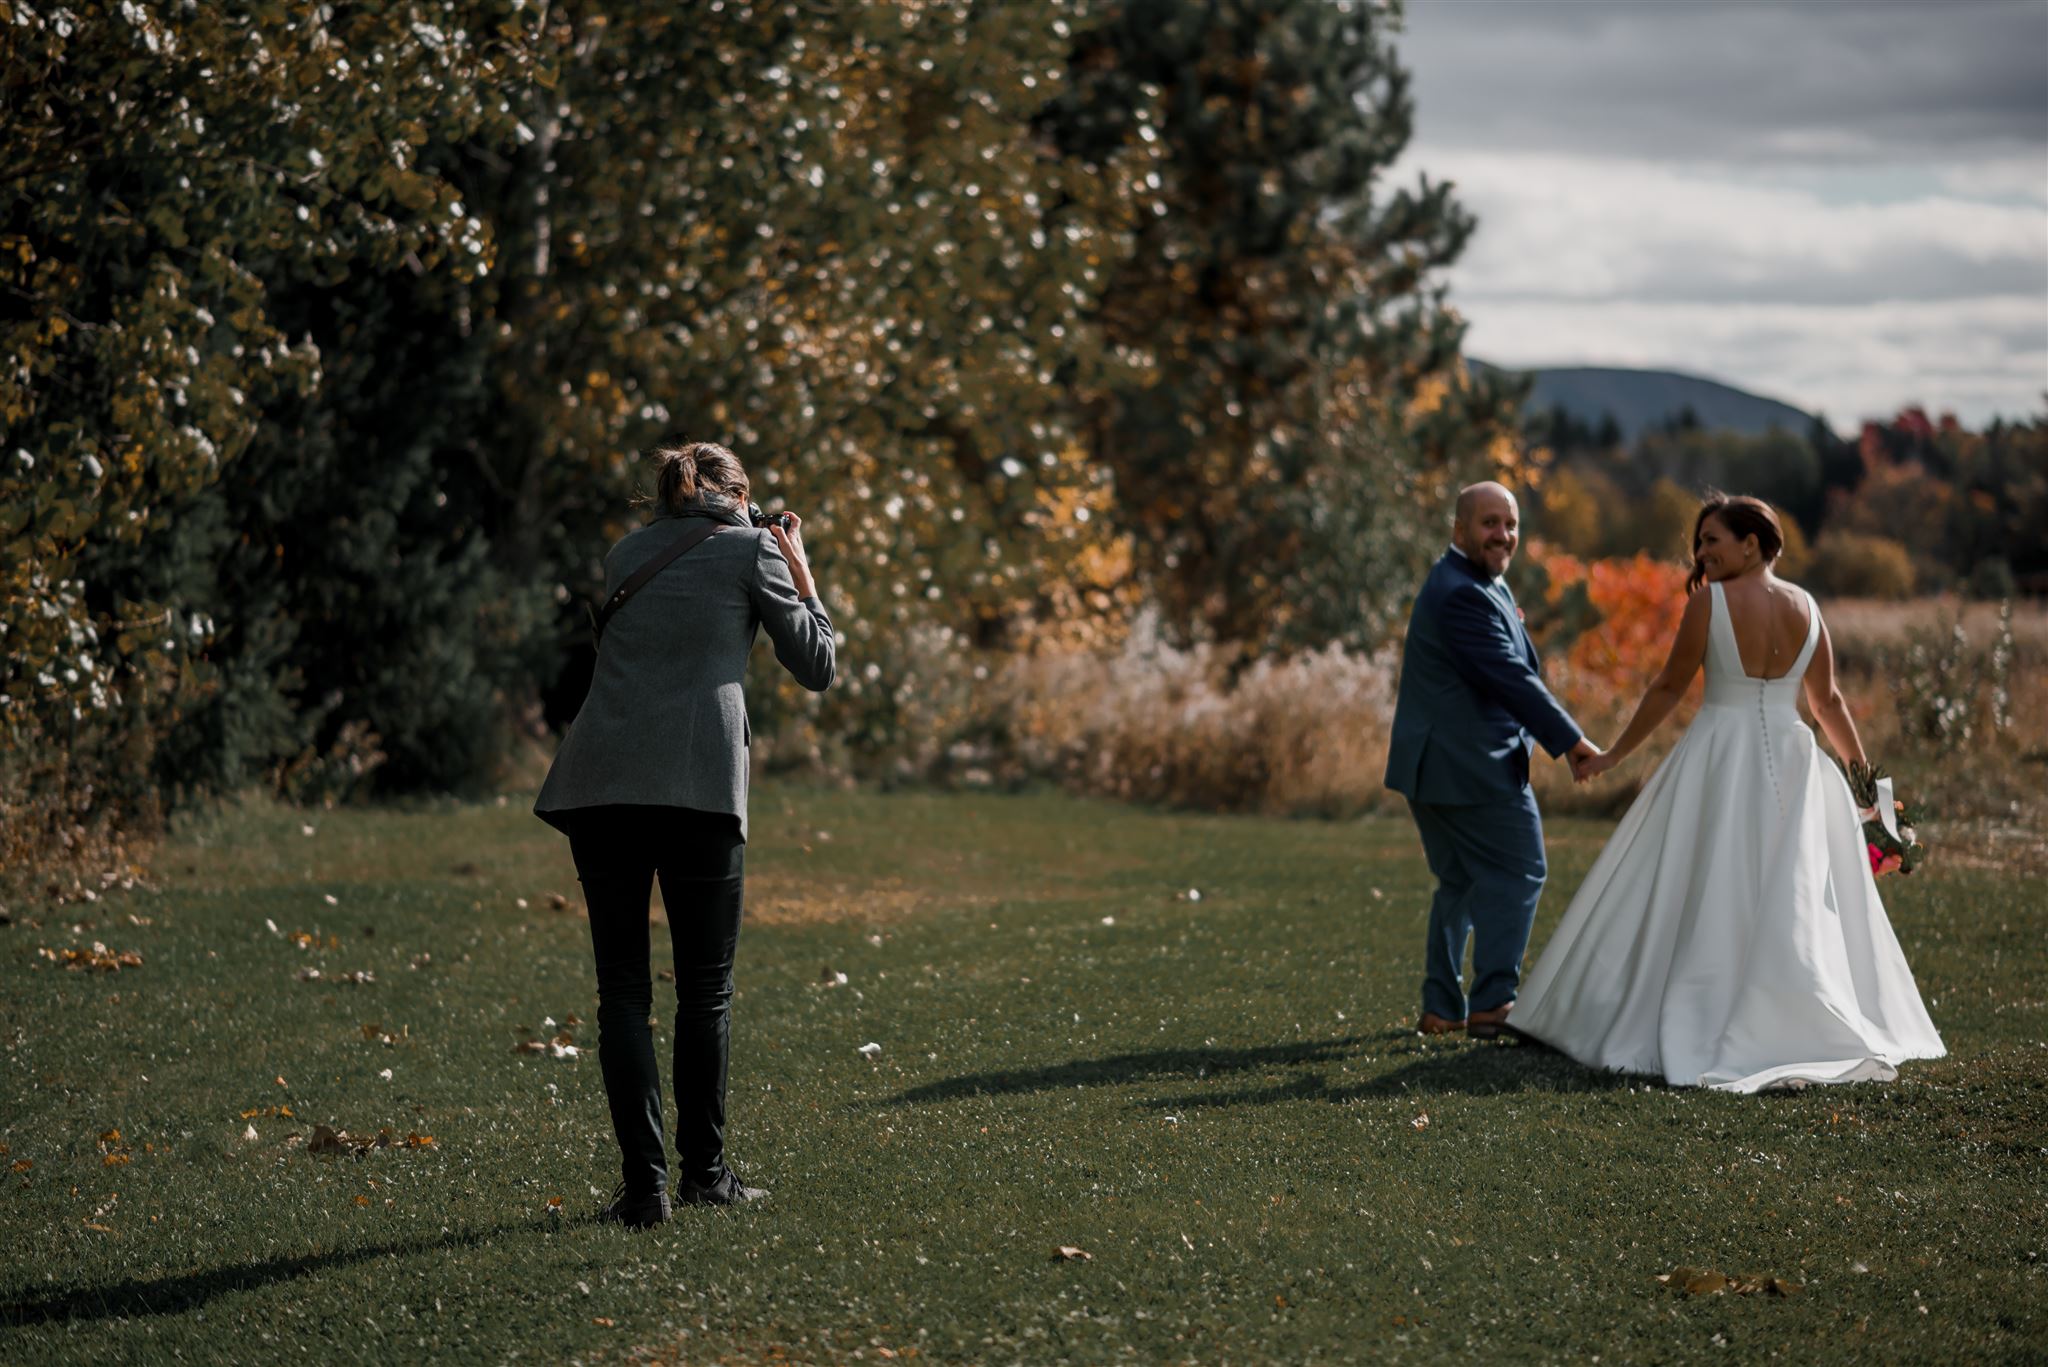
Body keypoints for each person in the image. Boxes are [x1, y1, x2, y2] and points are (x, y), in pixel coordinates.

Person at [1512, 495, 1944, 1091]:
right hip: (1794, 761)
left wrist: (1613, 755)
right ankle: (1790, 1010)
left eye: (1713, 539)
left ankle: (1720, 1010)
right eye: (1700, 542)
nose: (1702, 552)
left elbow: (1669, 688)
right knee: (1782, 888)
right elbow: (1826, 705)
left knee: (1705, 884)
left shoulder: (1709, 604)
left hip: (1719, 755)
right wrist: (1863, 782)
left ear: (1753, 543)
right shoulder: (1807, 606)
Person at [534, 436, 835, 1225]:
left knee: (622, 994)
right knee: (705, 991)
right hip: (699, 785)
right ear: (740, 497)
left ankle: (644, 1190)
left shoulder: (625, 551)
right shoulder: (751, 552)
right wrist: (799, 567)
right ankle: (705, 1174)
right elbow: (818, 663)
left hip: (602, 783)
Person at [1384, 482, 1601, 1039]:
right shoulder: (1462, 592)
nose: (1502, 535)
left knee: (1458, 883)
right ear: (1458, 529)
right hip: (1471, 766)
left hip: (1435, 766)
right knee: (1520, 871)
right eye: (1488, 523)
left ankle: (1441, 1008)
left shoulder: (1471, 582)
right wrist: (1570, 740)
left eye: (1510, 524)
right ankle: (1493, 1005)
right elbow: (1509, 676)